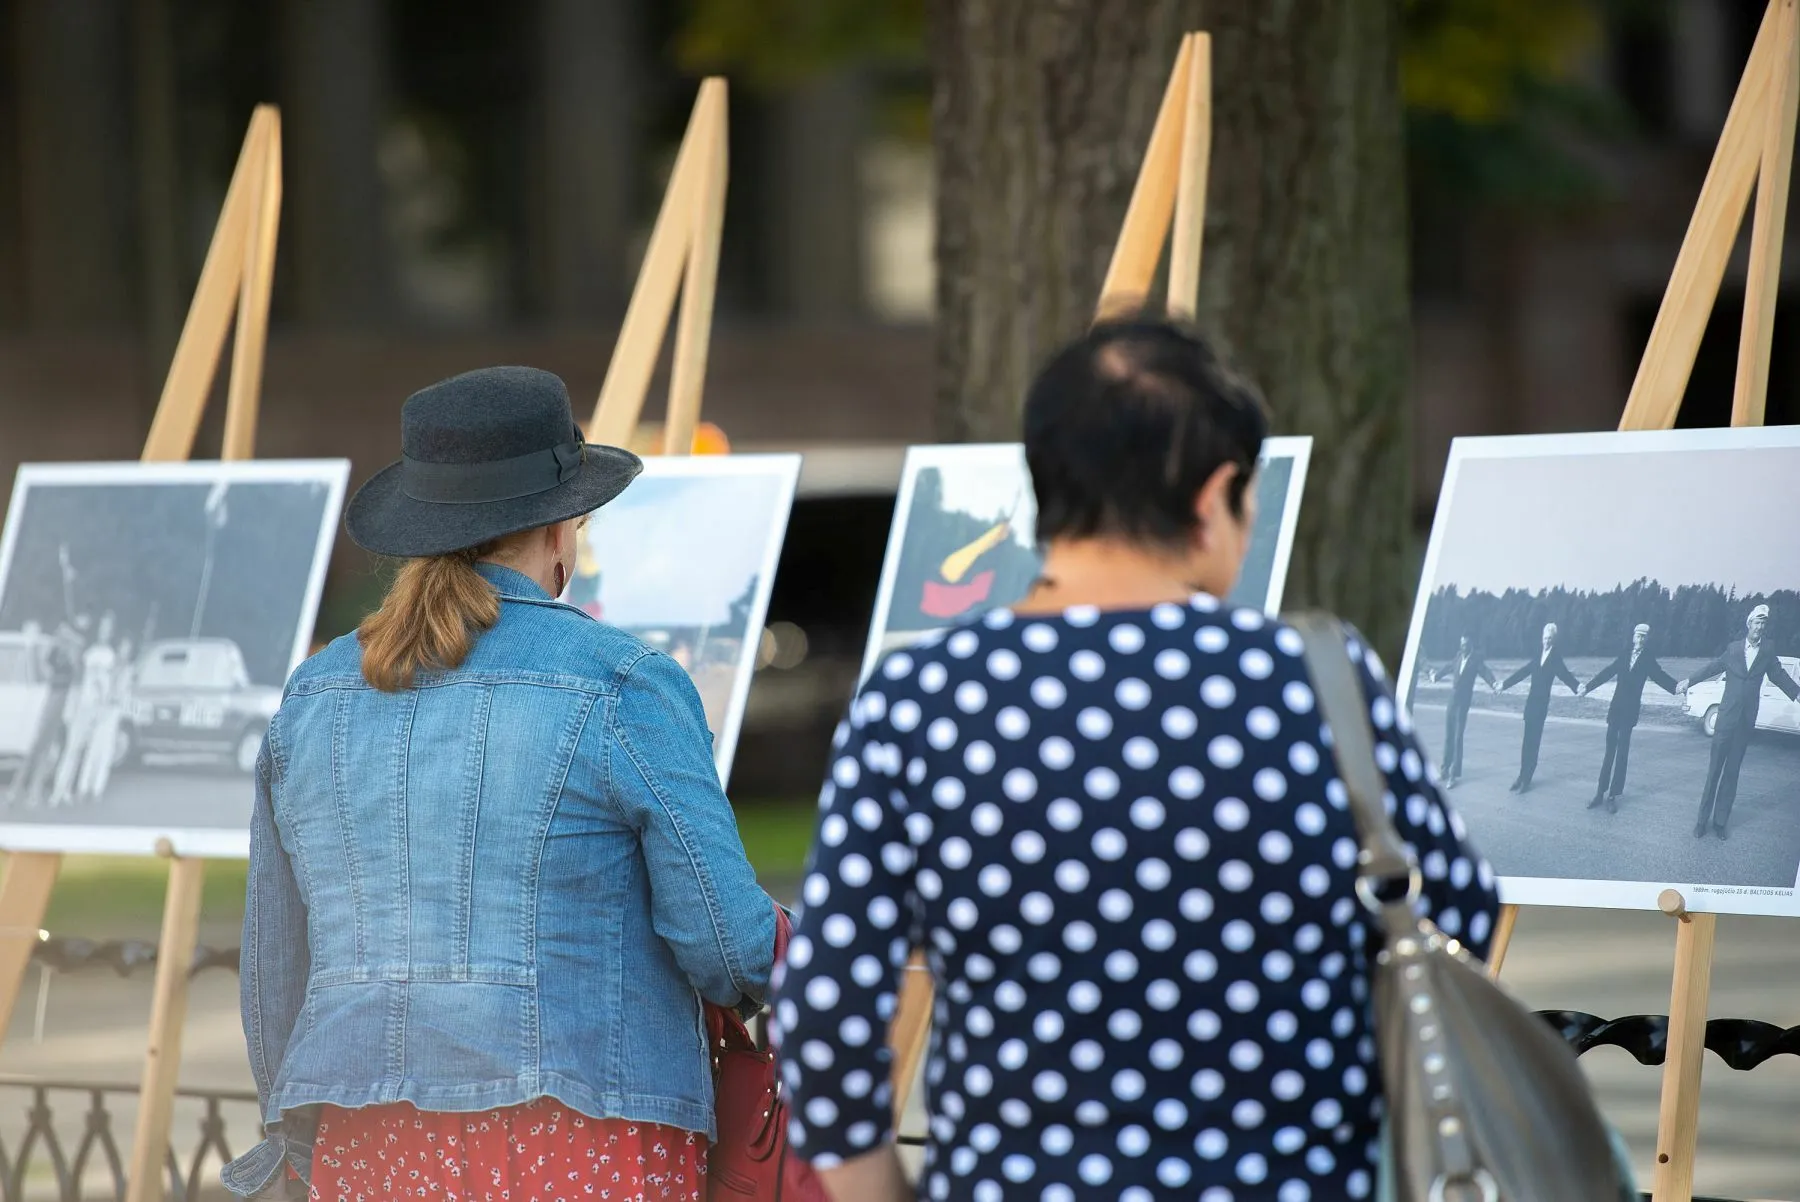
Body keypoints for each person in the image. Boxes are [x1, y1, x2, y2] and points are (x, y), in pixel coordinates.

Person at [771, 318, 1499, 1202]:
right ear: (1216, 493)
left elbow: (827, 1015)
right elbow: (1461, 912)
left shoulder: (920, 699)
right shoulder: (1320, 678)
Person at [222, 366, 779, 1201]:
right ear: (564, 528)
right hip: (583, 1132)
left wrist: (290, 1137)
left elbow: (274, 967)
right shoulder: (622, 683)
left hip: (362, 1138)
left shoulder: (315, 695)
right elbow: (729, 948)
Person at [1681, 604, 1799, 840]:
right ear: (1749, 624)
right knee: (1714, 772)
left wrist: (1797, 693)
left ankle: (1720, 822)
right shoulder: (1733, 649)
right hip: (1725, 720)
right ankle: (1701, 821)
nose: (1760, 627)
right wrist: (1689, 681)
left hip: (1745, 723)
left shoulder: (1767, 649)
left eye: (1763, 624)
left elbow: (1778, 675)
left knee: (1732, 773)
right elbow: (1712, 667)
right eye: (1756, 623)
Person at [1578, 623, 1678, 813]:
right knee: (1609, 754)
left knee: (1621, 754)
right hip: (1615, 710)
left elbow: (1660, 677)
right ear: (1633, 637)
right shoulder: (1624, 654)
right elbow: (1607, 672)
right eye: (1637, 636)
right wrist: (1587, 687)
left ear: (1646, 640)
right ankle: (1600, 793)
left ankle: (1613, 796)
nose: (1639, 640)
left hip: (1629, 713)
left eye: (1643, 637)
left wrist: (1677, 688)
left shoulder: (1648, 659)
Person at [1499, 622, 1578, 794]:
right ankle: (1521, 775)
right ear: (1541, 638)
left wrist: (1577, 686)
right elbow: (1522, 672)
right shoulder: (1538, 654)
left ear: (1554, 640)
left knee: (1534, 743)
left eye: (1549, 638)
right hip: (1530, 705)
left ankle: (1527, 779)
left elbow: (1565, 674)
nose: (1546, 641)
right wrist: (1504, 684)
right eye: (1544, 638)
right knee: (1526, 743)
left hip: (1541, 706)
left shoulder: (1555, 657)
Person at [49, 612, 116, 808]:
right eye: (103, 628)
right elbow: (79, 677)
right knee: (70, 749)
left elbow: (107, 684)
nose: (105, 632)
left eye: (109, 629)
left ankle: (68, 790)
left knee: (81, 752)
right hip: (82, 706)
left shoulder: (110, 655)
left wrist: (102, 703)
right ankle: (57, 791)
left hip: (97, 709)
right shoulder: (89, 652)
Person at [1433, 634, 1496, 787]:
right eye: (1461, 644)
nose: (1463, 647)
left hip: (1463, 703)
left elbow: (1485, 672)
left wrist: (1494, 683)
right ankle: (1444, 770)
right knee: (1449, 736)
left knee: (1457, 737)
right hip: (1452, 701)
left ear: (1471, 646)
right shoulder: (1458, 656)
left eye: (1465, 645)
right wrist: (1436, 676)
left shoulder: (1475, 660)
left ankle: (1453, 775)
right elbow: (1448, 667)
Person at [78, 636, 135, 802]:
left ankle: (97, 789)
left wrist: (113, 699)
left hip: (113, 711)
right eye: (122, 647)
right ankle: (83, 787)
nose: (124, 651)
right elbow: (97, 682)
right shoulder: (109, 665)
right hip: (99, 707)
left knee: (105, 750)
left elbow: (124, 693)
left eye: (127, 648)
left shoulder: (128, 670)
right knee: (92, 748)